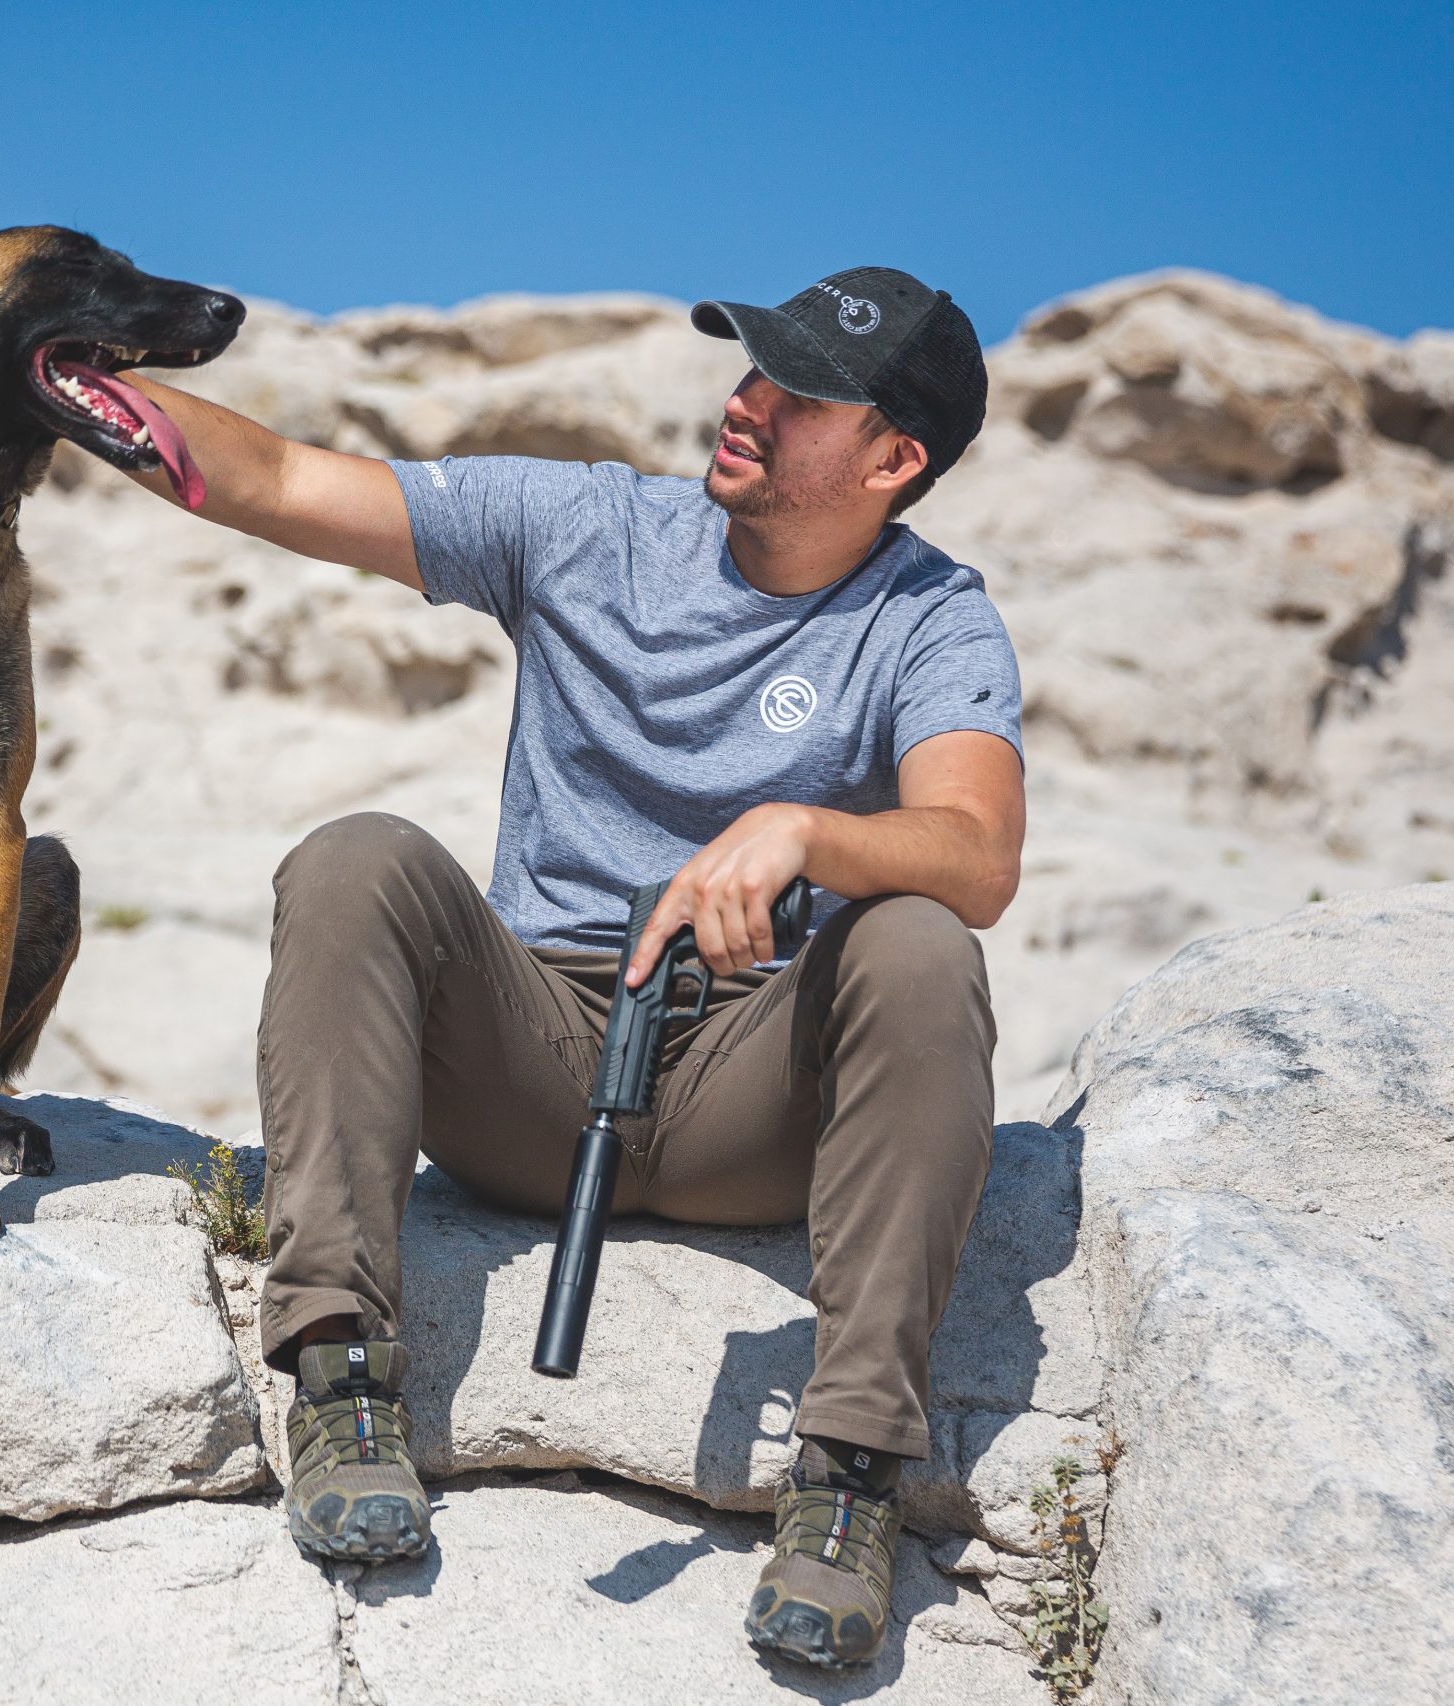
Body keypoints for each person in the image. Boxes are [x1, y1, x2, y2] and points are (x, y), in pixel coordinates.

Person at [113, 267, 1023, 1670]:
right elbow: (282, 474)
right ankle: (345, 1380)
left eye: (797, 392)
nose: (746, 401)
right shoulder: (590, 524)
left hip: (748, 1097)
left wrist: (806, 833)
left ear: (895, 459)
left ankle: (845, 1476)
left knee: (915, 941)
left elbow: (978, 855)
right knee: (356, 856)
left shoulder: (931, 615)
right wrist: (52, 382)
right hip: (528, 1070)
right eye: (748, 367)